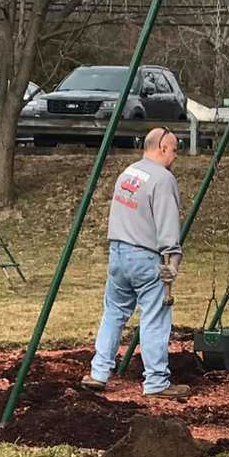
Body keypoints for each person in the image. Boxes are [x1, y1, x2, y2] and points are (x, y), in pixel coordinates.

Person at [81, 127, 190, 399]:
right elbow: (167, 226)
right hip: (145, 256)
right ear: (162, 148)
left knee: (114, 313)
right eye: (174, 150)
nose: (175, 157)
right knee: (155, 317)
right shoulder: (163, 179)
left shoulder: (129, 173)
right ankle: (156, 382)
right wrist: (172, 260)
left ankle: (99, 372)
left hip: (118, 253)